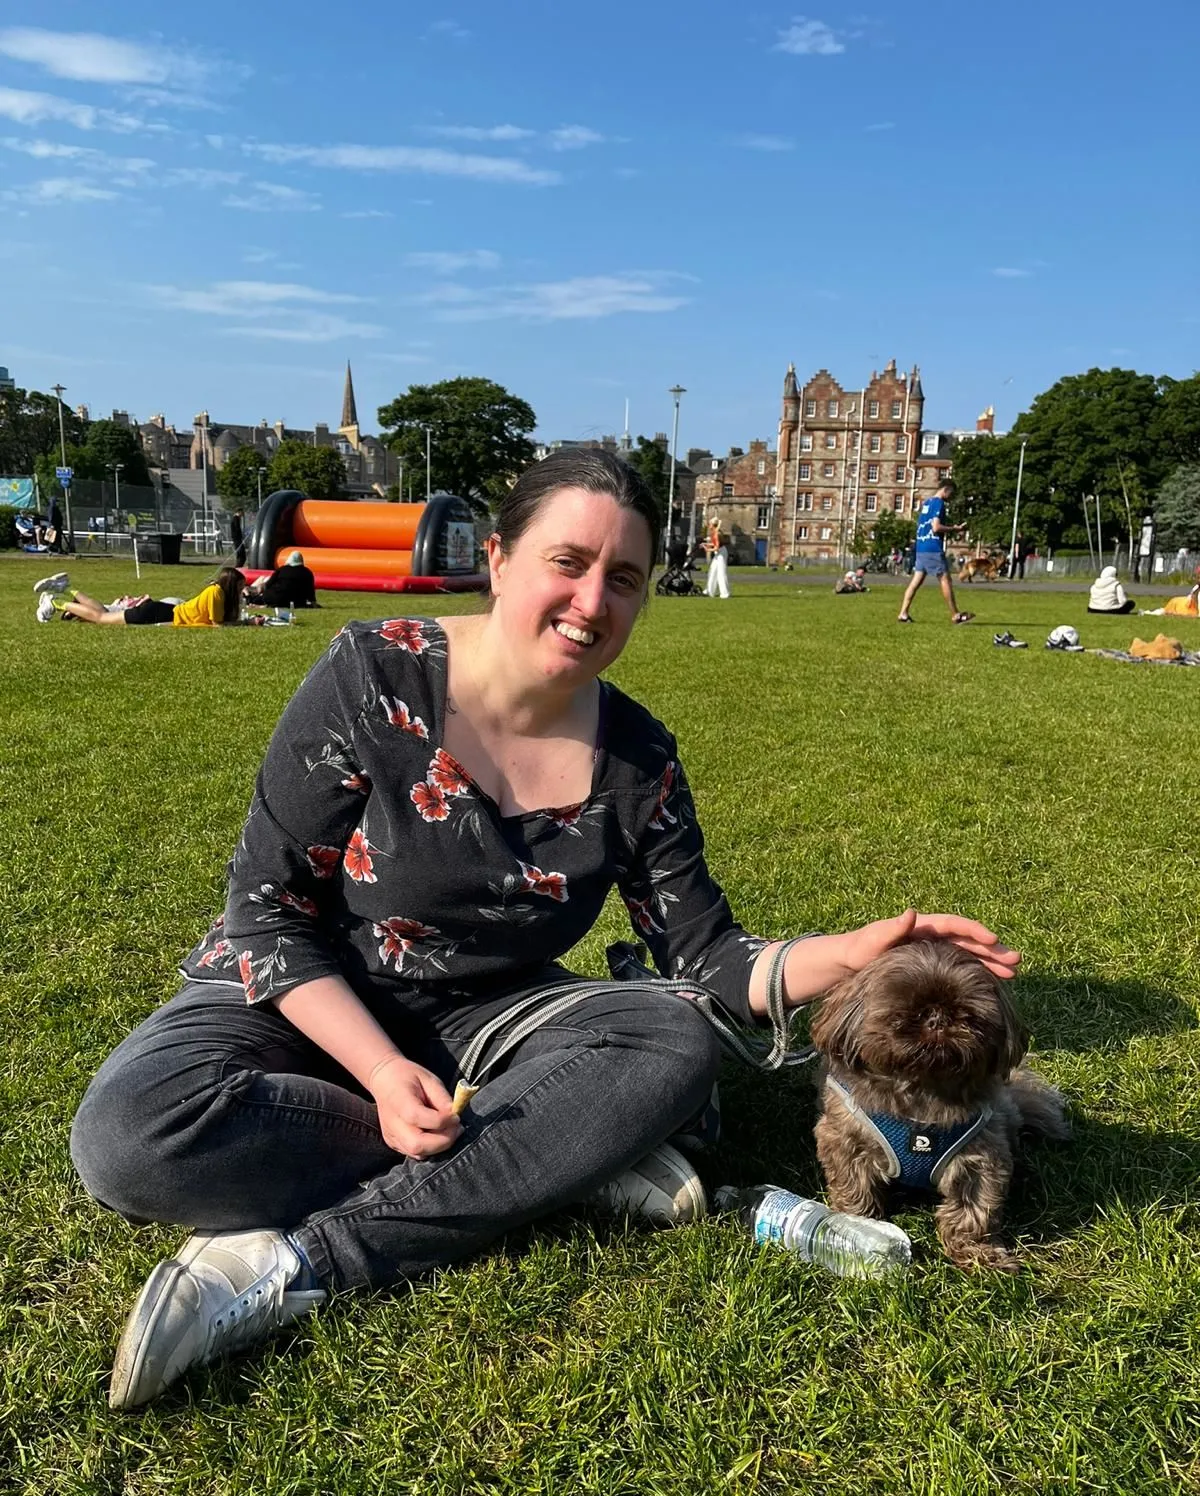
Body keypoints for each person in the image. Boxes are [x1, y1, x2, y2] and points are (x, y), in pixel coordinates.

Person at [67, 450, 1019, 1410]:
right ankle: (563, 1160)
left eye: (625, 579)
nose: (592, 600)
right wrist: (384, 1075)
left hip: (490, 1017)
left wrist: (854, 953)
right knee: (131, 1136)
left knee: (672, 1042)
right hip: (300, 990)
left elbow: (710, 960)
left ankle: (294, 1264)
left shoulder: (638, 759)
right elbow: (266, 914)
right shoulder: (374, 672)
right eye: (568, 562)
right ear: (498, 559)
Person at [35, 565, 246, 626]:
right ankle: (56, 602)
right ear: (231, 584)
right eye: (240, 587)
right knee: (101, 618)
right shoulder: (216, 593)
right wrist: (248, 624)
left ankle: (67, 588)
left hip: (163, 611)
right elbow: (217, 625)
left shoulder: (216, 591)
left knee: (103, 613)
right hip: (158, 613)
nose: (241, 591)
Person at [897, 479, 974, 624]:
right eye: (952, 493)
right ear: (946, 489)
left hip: (921, 547)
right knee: (945, 579)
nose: (951, 497)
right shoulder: (939, 503)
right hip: (932, 548)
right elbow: (936, 527)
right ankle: (955, 615)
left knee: (915, 582)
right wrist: (955, 529)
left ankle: (903, 613)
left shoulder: (927, 503)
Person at [246, 550, 319, 609]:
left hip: (275, 597)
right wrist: (313, 603)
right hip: (296, 601)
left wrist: (259, 590)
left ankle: (248, 597)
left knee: (254, 600)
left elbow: (268, 585)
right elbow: (310, 592)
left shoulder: (282, 570)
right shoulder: (308, 573)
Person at [705, 521, 730, 599]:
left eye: (710, 524)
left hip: (721, 553)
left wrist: (708, 549)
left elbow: (717, 547)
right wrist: (705, 544)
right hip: (718, 553)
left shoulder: (717, 534)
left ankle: (725, 593)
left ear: (713, 525)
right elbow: (714, 544)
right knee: (712, 571)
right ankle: (709, 591)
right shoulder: (714, 532)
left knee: (721, 573)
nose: (709, 525)